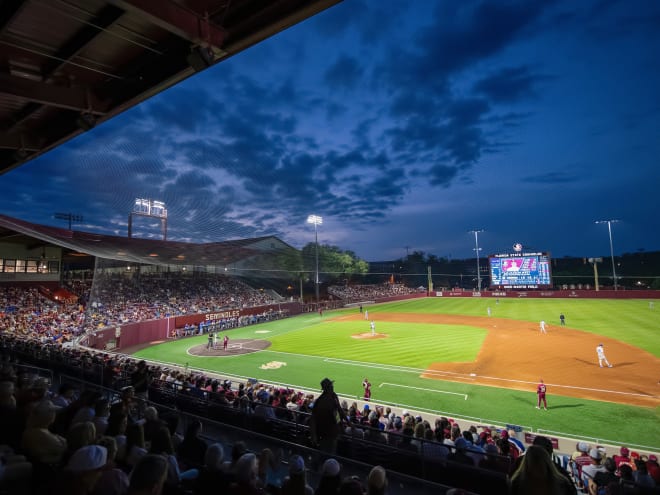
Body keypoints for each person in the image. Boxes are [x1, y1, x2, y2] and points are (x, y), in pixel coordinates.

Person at [310, 378, 346, 454]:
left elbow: (339, 409)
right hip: (325, 433)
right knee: (327, 453)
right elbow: (313, 419)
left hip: (332, 432)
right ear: (327, 388)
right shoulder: (320, 401)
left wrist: (346, 423)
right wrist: (314, 436)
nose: (333, 387)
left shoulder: (333, 396)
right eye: (331, 385)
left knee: (330, 452)